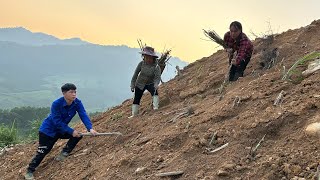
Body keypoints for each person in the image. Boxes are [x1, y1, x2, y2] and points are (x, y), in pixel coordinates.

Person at [24, 83, 98, 180]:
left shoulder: (77, 103)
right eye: (71, 92)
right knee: (43, 151)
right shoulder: (56, 104)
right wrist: (71, 131)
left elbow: (83, 114)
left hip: (61, 130)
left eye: (75, 92)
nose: (74, 94)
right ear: (64, 93)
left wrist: (90, 128)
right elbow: (56, 122)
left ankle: (64, 153)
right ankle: (29, 171)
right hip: (48, 131)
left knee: (78, 135)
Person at [129, 46, 161, 118]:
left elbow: (157, 77)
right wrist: (132, 84)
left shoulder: (156, 67)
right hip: (140, 83)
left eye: (150, 57)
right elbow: (135, 74)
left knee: (155, 93)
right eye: (146, 57)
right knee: (137, 98)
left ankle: (155, 108)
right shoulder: (141, 64)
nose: (148, 59)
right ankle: (134, 114)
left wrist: (156, 84)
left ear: (153, 58)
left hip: (150, 83)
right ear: (144, 57)